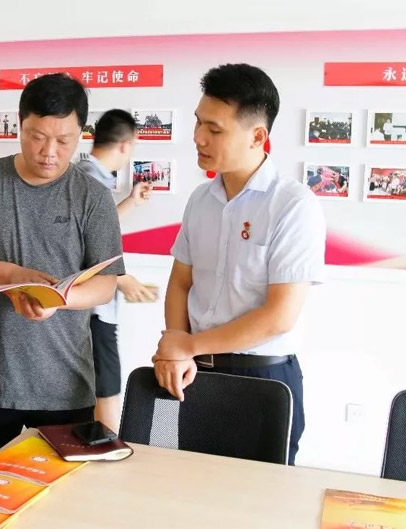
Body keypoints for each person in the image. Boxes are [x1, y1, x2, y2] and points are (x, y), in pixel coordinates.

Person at [0, 73, 125, 469]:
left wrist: (59, 301)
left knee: (62, 497)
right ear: (20, 124)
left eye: (64, 141)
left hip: (65, 385)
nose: (49, 152)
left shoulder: (92, 196)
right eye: (37, 137)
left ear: (82, 134)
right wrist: (11, 276)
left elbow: (106, 284)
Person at [152, 64, 326, 465]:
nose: (198, 137)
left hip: (263, 381)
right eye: (198, 122)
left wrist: (188, 345)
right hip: (197, 374)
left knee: (260, 498)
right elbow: (181, 282)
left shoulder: (292, 205)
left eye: (214, 129)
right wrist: (177, 345)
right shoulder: (201, 200)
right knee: (192, 486)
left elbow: (278, 317)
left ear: (257, 136)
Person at [76, 108, 155, 433]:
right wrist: (122, 278)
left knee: (102, 388)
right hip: (93, 310)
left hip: (94, 310)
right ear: (125, 145)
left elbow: (99, 228)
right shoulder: (89, 180)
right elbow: (80, 244)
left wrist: (131, 201)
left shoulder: (88, 176)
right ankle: (107, 451)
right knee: (106, 391)